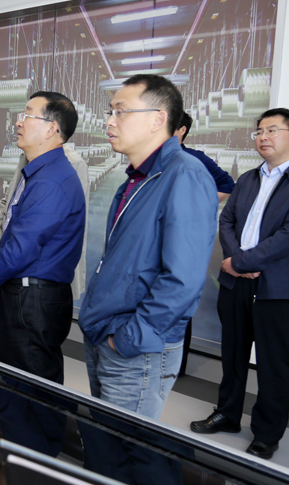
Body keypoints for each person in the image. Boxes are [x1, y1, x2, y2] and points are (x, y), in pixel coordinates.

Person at [78, 74, 218, 419]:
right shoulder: (137, 178)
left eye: (121, 112)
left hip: (135, 347)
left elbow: (182, 279)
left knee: (123, 445)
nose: (110, 121)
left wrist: (129, 338)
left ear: (158, 119)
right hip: (107, 333)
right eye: (110, 112)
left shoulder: (185, 175)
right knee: (102, 438)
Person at [190, 108, 289, 459]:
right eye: (259, 131)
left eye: (272, 130)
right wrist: (235, 261)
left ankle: (267, 433)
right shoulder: (249, 178)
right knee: (233, 354)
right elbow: (227, 221)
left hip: (275, 287)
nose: (263, 137)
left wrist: (241, 262)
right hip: (235, 282)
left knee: (272, 362)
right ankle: (227, 414)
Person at [0, 91, 85, 383]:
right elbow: (20, 230)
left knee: (30, 390)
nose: (18, 122)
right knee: (20, 381)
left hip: (34, 300)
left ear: (51, 129)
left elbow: (23, 248)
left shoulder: (51, 180)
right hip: (26, 295)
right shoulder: (38, 172)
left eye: (27, 115)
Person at [0, 141, 89, 299]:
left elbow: (43, 228)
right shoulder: (27, 157)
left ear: (51, 129)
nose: (19, 127)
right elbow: (8, 203)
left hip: (39, 281)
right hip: (12, 265)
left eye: (27, 123)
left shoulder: (72, 163)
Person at [175, 111, 235, 376]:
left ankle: (177, 365)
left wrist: (199, 204)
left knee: (178, 301)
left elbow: (228, 184)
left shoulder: (194, 158)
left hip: (183, 241)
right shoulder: (151, 159)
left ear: (182, 130)